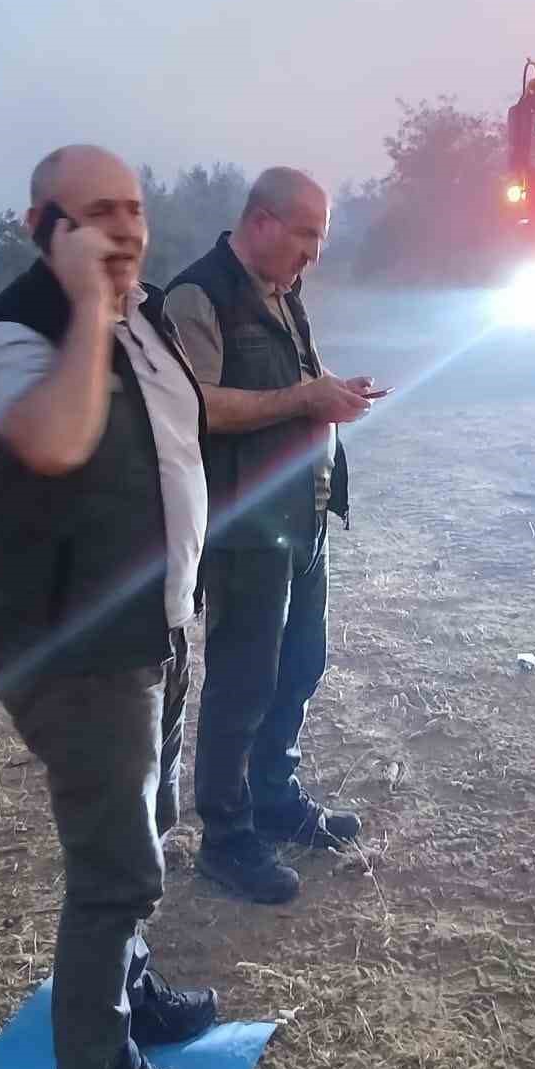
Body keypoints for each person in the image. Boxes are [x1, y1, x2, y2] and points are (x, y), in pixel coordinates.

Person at [0, 145, 224, 1069]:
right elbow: (60, 441)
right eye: (95, 213)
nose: (125, 229)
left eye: (135, 208)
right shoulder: (12, 332)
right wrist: (82, 308)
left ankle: (130, 983)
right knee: (117, 862)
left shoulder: (142, 317)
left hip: (156, 619)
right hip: (78, 644)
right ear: (44, 228)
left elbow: (170, 446)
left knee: (150, 823)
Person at [165, 168, 376, 904]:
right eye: (307, 236)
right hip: (246, 526)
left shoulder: (284, 295)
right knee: (242, 683)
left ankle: (274, 799)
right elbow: (195, 405)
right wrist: (304, 397)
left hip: (303, 517)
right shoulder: (197, 296)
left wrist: (334, 388)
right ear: (260, 221)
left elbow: (298, 380)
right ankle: (226, 837)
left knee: (300, 667)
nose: (314, 254)